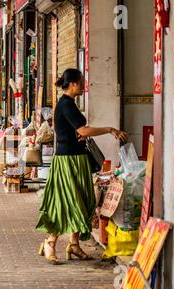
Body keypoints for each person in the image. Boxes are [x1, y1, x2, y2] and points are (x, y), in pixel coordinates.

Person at [36, 68, 128, 265]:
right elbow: (83, 129)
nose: (84, 85)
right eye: (81, 82)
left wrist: (81, 133)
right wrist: (110, 129)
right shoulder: (66, 104)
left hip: (78, 159)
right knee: (65, 202)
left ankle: (74, 244)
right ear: (73, 84)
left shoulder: (69, 104)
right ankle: (50, 242)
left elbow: (78, 131)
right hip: (67, 161)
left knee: (83, 200)